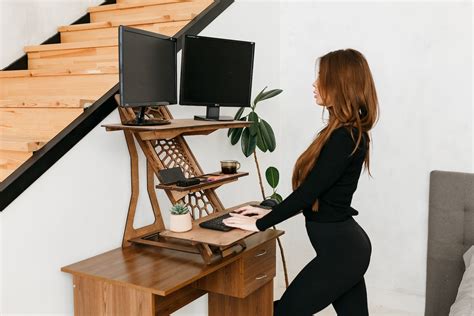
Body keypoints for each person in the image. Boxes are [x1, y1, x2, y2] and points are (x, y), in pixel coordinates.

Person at [222, 48, 379, 315]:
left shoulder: (345, 137)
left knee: (283, 311)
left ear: (340, 85)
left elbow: (308, 193)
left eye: (322, 78)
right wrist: (267, 210)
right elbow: (318, 196)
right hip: (346, 249)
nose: (314, 84)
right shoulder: (342, 133)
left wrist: (259, 223)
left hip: (343, 253)